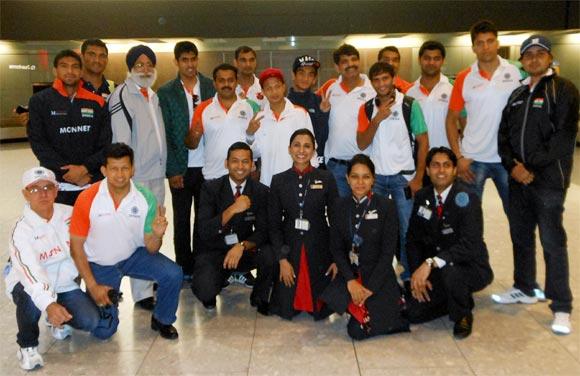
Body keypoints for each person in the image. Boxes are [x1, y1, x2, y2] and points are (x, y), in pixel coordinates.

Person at [496, 35, 579, 335]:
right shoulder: (517, 94)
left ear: (549, 57)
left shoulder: (563, 89)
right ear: (521, 60)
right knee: (520, 236)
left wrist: (529, 167)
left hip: (548, 182)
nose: (533, 59)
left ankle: (561, 306)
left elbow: (563, 138)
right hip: (518, 180)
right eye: (527, 54)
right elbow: (503, 137)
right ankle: (524, 287)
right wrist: (513, 166)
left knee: (552, 242)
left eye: (539, 54)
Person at [69, 143, 183, 340]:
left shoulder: (145, 198)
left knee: (173, 273)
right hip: (100, 265)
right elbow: (76, 247)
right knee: (104, 332)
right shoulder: (87, 198)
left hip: (133, 255)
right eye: (114, 169)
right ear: (104, 170)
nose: (120, 174)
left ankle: (162, 319)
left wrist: (157, 234)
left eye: (125, 168)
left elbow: (152, 249)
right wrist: (93, 285)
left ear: (133, 169)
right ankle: (80, 305)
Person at [6, 167, 114, 371]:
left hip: (65, 285)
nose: (43, 193)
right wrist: (49, 304)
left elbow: (91, 246)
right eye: (35, 189)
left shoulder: (70, 214)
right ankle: (27, 345)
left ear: (56, 190)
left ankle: (55, 318)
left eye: (48, 187)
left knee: (90, 321)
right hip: (28, 283)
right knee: (30, 296)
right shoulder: (20, 231)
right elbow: (32, 275)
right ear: (25, 193)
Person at [405, 147, 493, 339]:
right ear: (427, 170)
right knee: (413, 313)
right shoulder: (422, 197)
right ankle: (457, 298)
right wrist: (417, 274)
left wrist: (431, 263)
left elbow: (470, 244)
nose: (441, 170)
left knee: (451, 272)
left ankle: (463, 314)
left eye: (447, 165)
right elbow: (413, 240)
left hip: (470, 266)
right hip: (437, 268)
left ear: (454, 170)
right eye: (435, 165)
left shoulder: (468, 198)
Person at [321, 154, 410, 340]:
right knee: (323, 307)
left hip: (377, 275)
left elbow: (388, 253)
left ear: (373, 179)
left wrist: (369, 288)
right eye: (354, 176)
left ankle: (392, 303)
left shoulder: (387, 206)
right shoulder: (338, 206)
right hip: (350, 273)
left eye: (366, 177)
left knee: (357, 331)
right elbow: (336, 248)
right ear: (347, 179)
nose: (360, 182)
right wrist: (350, 281)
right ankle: (353, 303)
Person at [356, 61, 429, 281]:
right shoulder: (367, 108)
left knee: (407, 229)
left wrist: (418, 178)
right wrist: (376, 120)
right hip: (376, 179)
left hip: (403, 178)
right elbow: (361, 143)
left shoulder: (409, 105)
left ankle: (408, 276)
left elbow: (423, 142)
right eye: (376, 80)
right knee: (373, 229)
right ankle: (377, 275)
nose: (381, 84)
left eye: (385, 78)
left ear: (393, 78)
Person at [108, 45, 167, 310]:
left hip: (156, 174)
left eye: (149, 64)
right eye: (139, 64)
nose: (145, 69)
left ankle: (149, 278)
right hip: (137, 178)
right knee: (137, 232)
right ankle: (141, 292)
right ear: (130, 68)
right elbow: (121, 143)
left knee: (155, 227)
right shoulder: (122, 95)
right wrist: (125, 177)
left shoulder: (152, 95)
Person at [445, 20, 522, 216]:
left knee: (517, 217)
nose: (485, 47)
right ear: (473, 48)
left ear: (497, 43)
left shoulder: (516, 72)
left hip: (507, 159)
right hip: (473, 159)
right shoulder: (464, 77)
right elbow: (451, 119)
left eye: (490, 41)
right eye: (480, 43)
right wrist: (458, 157)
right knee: (468, 219)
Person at [192, 142, 273, 314]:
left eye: (245, 162)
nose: (240, 166)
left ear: (252, 165)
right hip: (215, 249)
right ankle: (219, 278)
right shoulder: (210, 188)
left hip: (244, 250)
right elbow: (204, 229)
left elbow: (263, 231)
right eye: (235, 161)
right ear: (226, 163)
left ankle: (259, 296)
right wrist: (232, 209)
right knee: (204, 290)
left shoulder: (261, 191)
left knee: (270, 254)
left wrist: (242, 246)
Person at [158, 41, 216, 280]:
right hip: (181, 167)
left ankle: (201, 264)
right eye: (184, 60)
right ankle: (183, 267)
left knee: (203, 220)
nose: (190, 64)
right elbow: (165, 134)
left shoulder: (211, 87)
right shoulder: (166, 92)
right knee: (181, 220)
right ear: (176, 62)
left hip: (208, 167)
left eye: (193, 59)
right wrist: (172, 170)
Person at [268, 129, 339, 320]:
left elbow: (336, 220)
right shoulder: (278, 180)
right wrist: (282, 259)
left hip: (319, 245)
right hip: (289, 246)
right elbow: (274, 225)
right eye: (296, 145)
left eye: (307, 146)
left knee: (321, 308)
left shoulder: (326, 178)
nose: (301, 150)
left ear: (314, 150)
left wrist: (335, 257)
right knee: (286, 307)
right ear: (289, 149)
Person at [27, 49, 111, 206]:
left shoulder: (97, 102)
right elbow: (39, 144)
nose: (70, 71)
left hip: (91, 183)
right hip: (57, 186)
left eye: (75, 67)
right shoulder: (39, 101)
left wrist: (85, 169)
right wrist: (70, 173)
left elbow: (105, 143)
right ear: (55, 70)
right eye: (64, 66)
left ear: (81, 71)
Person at [317, 44, 376, 196]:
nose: (351, 64)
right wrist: (324, 112)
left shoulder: (373, 90)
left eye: (354, 60)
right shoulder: (330, 89)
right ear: (337, 67)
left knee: (366, 214)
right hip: (336, 167)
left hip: (365, 165)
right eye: (345, 61)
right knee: (340, 214)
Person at [186, 63, 260, 181]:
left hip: (244, 175)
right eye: (221, 81)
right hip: (214, 176)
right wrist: (194, 135)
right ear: (214, 83)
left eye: (230, 80)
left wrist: (255, 166)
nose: (226, 84)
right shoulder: (203, 108)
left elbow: (258, 141)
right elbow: (191, 145)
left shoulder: (251, 106)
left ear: (236, 82)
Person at [246, 67, 317, 187]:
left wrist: (310, 177)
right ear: (262, 92)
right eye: (269, 88)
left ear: (284, 87)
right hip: (268, 183)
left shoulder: (300, 113)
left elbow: (312, 148)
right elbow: (256, 153)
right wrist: (250, 134)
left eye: (277, 86)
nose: (274, 92)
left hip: (297, 182)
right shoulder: (259, 118)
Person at [406, 41, 452, 150]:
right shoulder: (409, 92)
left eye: (436, 59)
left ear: (443, 61)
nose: (431, 62)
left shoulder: (453, 88)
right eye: (427, 58)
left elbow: (464, 121)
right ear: (419, 60)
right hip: (419, 156)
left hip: (448, 156)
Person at [287, 55, 329, 167]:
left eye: (310, 74)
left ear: (315, 79)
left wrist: (324, 114)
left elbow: (323, 137)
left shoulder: (321, 102)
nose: (305, 78)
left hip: (316, 164)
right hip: (289, 164)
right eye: (301, 73)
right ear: (293, 75)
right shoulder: (285, 104)